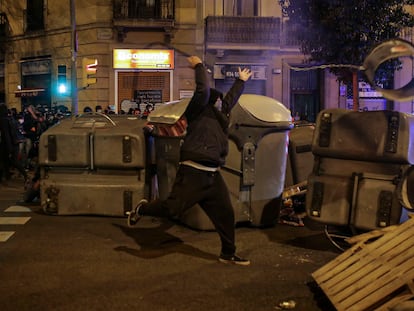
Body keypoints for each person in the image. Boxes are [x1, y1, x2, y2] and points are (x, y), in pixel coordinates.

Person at [127, 55, 252, 266]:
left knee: (226, 214)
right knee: (171, 209)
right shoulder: (195, 111)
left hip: (213, 174)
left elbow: (230, 100)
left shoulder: (220, 115)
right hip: (193, 171)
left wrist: (241, 81)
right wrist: (199, 66)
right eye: (217, 99)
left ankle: (228, 254)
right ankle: (142, 209)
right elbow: (202, 91)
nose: (220, 101)